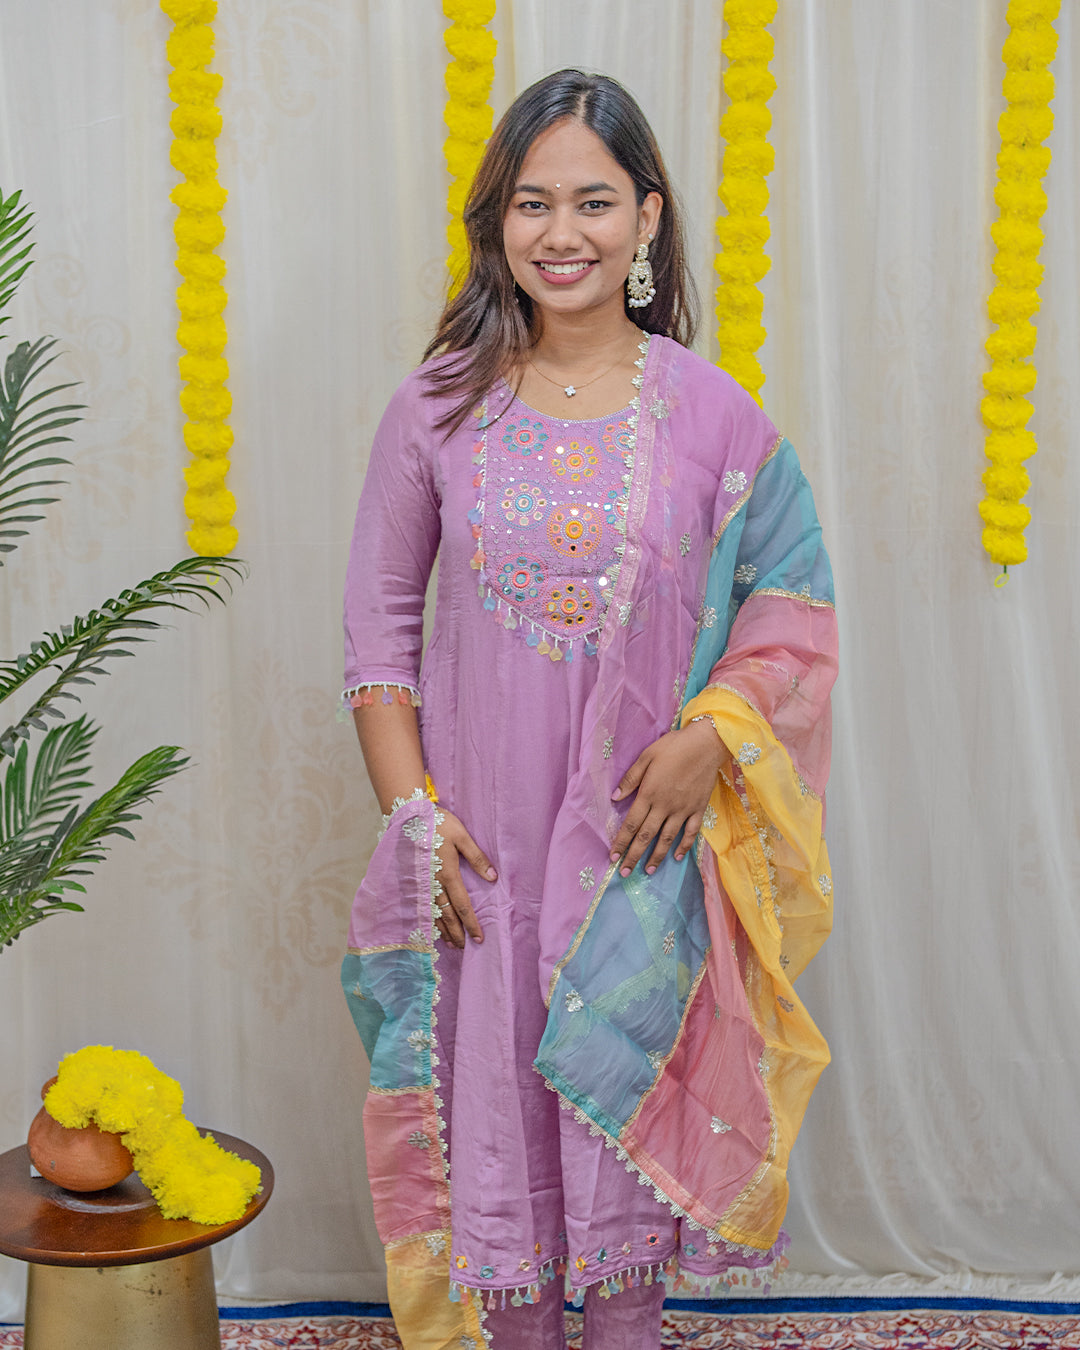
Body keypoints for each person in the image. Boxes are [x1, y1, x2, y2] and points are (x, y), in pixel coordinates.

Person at [341, 69, 837, 1350]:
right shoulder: (436, 405)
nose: (561, 233)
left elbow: (796, 607)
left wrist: (707, 737)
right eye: (531, 202)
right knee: (502, 1217)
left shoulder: (714, 416)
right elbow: (378, 644)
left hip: (640, 866)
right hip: (483, 864)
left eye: (594, 202)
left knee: (623, 1219)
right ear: (496, 222)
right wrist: (415, 821)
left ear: (649, 219)